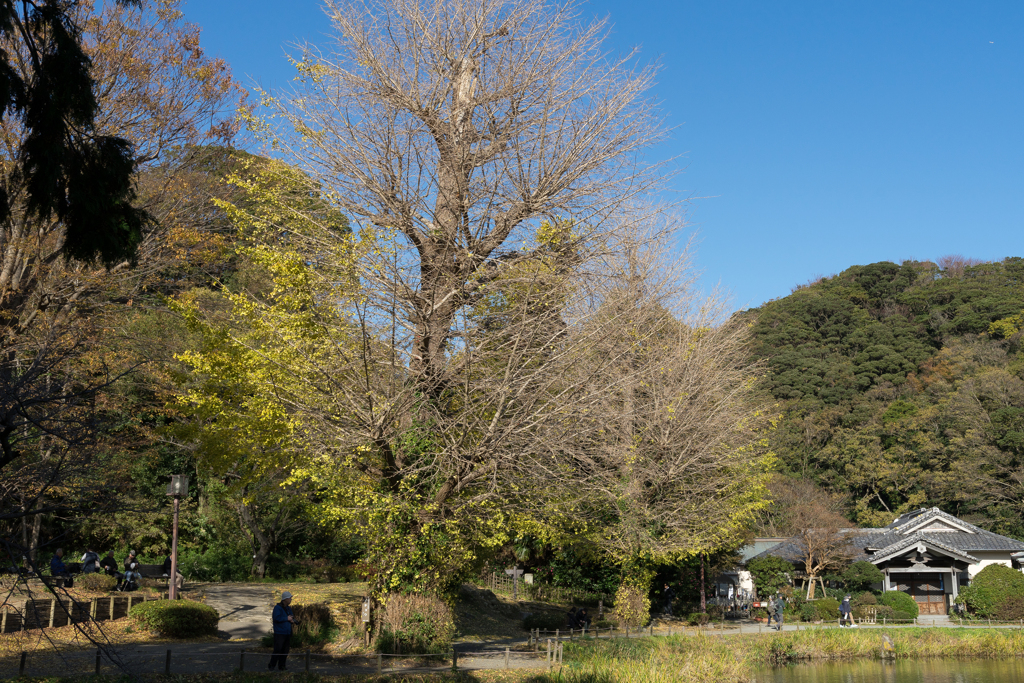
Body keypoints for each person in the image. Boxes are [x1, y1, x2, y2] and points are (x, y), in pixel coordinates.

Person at [269, 591, 295, 671]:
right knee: (277, 650)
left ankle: (282, 666)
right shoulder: (277, 608)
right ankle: (271, 666)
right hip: (280, 632)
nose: (291, 599)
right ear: (285, 599)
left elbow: (291, 616)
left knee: (285, 650)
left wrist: (292, 620)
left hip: (287, 632)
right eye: (290, 598)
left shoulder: (288, 608)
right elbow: (276, 618)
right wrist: (286, 618)